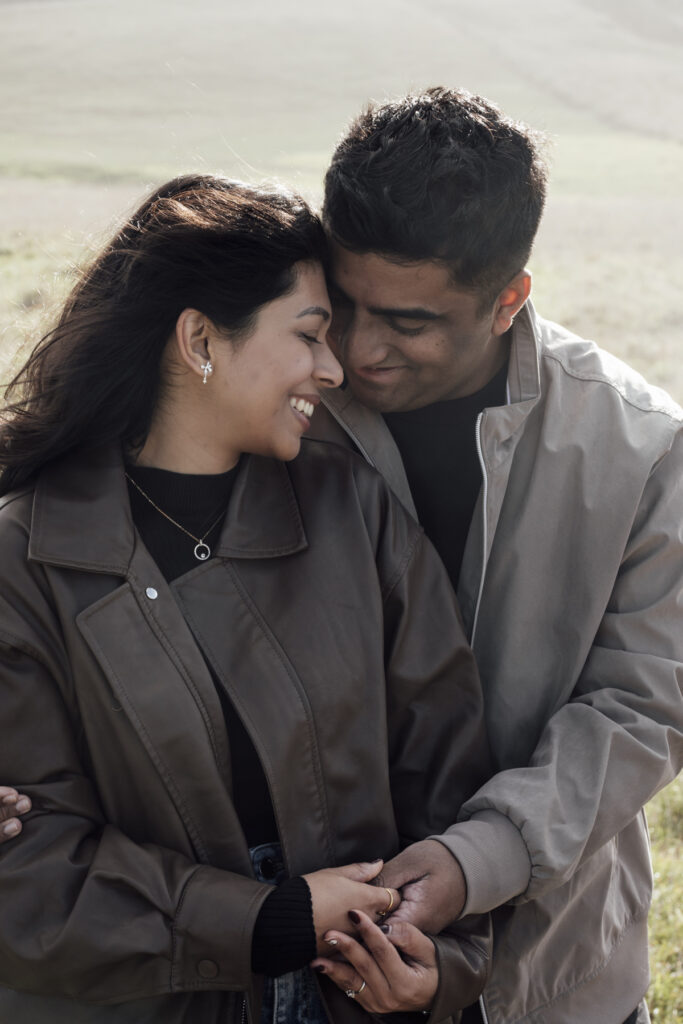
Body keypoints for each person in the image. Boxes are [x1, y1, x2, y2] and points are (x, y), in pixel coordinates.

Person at [0, 174, 492, 1022]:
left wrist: (440, 966)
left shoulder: (352, 509)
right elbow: (30, 864)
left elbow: (444, 773)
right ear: (199, 339)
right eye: (309, 335)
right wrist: (262, 924)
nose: (334, 370)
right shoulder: (25, 557)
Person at [306, 88, 683, 1024]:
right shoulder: (279, 394)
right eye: (340, 304)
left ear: (509, 298)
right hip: (304, 957)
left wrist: (480, 857)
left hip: (550, 973)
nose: (357, 350)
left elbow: (644, 704)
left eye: (408, 321)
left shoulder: (642, 448)